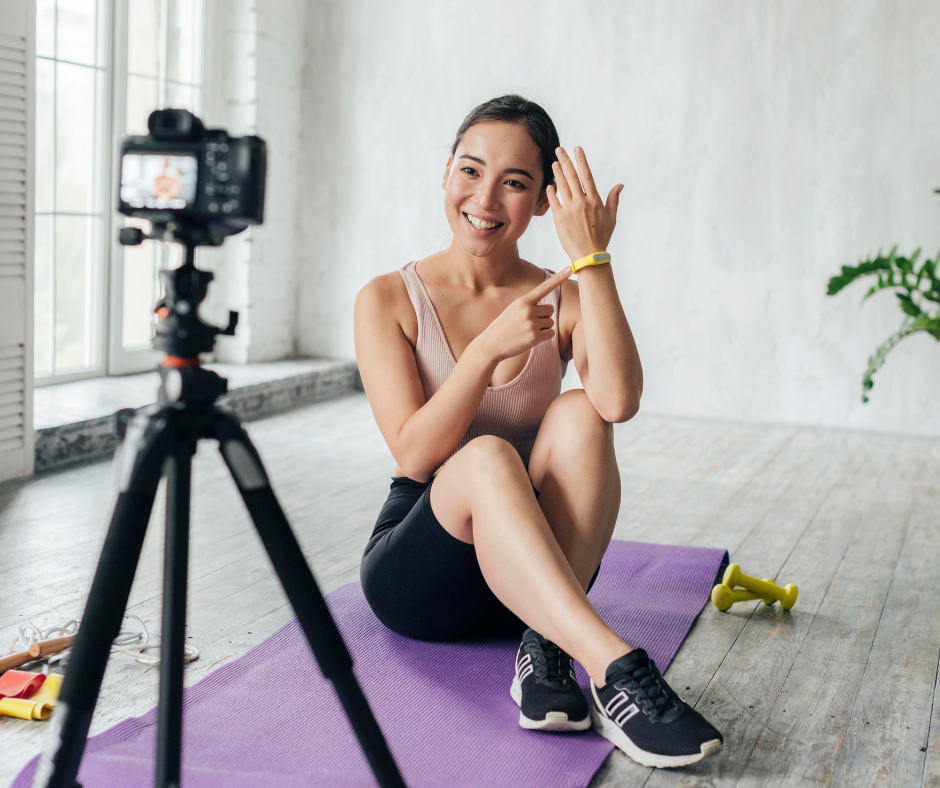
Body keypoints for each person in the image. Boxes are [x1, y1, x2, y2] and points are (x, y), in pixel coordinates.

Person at [354, 95, 723, 768]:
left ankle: (545, 648)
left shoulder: (565, 295)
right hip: (421, 574)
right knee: (488, 455)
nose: (485, 198)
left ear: (546, 202)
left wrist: (592, 259)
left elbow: (618, 400)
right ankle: (617, 671)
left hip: (535, 577)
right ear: (445, 175)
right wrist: (484, 352)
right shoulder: (386, 298)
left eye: (515, 182)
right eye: (470, 170)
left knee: (581, 410)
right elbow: (413, 453)